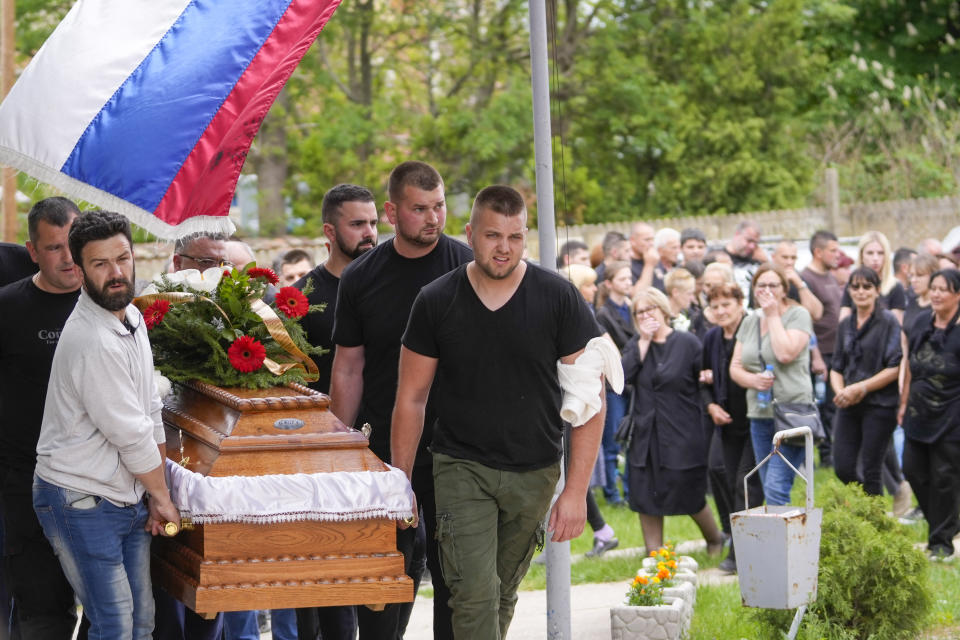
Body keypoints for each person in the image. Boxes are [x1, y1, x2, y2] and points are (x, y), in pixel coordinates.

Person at [391, 185, 605, 639]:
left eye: (515, 236)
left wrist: (576, 492)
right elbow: (411, 397)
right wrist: (400, 482)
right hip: (461, 467)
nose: (503, 248)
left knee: (501, 592)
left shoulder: (558, 297)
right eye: (492, 235)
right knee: (472, 596)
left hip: (536, 470)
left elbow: (591, 400)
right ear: (469, 234)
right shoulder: (435, 299)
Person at [330, 161, 472, 640]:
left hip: (459, 445)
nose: (433, 219)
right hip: (385, 448)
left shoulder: (467, 267)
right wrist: (339, 446)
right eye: (419, 209)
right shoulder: (362, 277)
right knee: (386, 568)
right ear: (392, 211)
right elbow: (349, 367)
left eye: (439, 207)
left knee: (455, 571)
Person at [33, 210, 180, 640]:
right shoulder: (90, 339)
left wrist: (156, 494)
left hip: (127, 492)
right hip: (79, 499)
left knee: (141, 624)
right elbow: (132, 435)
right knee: (114, 626)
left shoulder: (131, 319)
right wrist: (163, 498)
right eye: (100, 264)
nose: (117, 273)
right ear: (79, 270)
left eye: (123, 258)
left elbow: (150, 411)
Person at [0, 198, 87, 640]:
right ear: (32, 252)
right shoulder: (8, 307)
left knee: (113, 612)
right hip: (26, 485)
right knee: (41, 614)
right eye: (54, 248)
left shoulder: (113, 303)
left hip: (101, 486)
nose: (68, 258)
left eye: (73, 244)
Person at [294, 183, 377, 640]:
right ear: (330, 231)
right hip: (321, 452)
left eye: (373, 223)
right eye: (357, 224)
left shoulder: (393, 282)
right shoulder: (298, 299)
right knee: (322, 572)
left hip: (386, 442)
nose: (369, 234)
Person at [154, 233, 229, 640]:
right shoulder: (149, 308)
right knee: (165, 582)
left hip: (210, 460)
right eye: (206, 263)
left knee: (210, 585)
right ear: (179, 263)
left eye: (223, 263)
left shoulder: (236, 315)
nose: (216, 273)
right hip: (160, 459)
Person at [622, 287, 724, 554]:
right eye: (639, 312)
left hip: (682, 429)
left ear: (664, 310)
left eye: (650, 309)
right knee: (645, 493)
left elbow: (703, 382)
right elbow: (622, 379)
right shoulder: (637, 345)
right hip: (646, 433)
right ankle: (653, 554)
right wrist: (643, 342)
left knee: (686, 488)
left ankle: (714, 539)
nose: (645, 316)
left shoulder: (687, 343)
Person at [730, 264, 814, 506]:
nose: (767, 290)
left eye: (773, 285)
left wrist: (773, 314)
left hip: (792, 413)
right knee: (769, 486)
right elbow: (735, 366)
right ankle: (783, 539)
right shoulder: (749, 322)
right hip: (759, 413)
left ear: (784, 289)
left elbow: (785, 353)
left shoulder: (798, 315)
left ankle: (788, 542)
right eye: (761, 286)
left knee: (775, 488)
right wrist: (753, 380)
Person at [700, 283, 763, 574]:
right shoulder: (712, 338)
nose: (721, 311)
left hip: (754, 420)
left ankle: (742, 555)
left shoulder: (751, 332)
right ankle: (734, 535)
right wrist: (711, 406)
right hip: (726, 424)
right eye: (715, 306)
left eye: (727, 304)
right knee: (720, 475)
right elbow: (702, 379)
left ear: (740, 304)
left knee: (745, 483)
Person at [899, 269, 960, 560]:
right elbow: (910, 366)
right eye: (933, 288)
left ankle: (941, 544)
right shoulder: (922, 322)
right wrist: (903, 403)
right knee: (912, 469)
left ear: (957, 295)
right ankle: (945, 525)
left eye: (942, 289)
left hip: (952, 417)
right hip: (917, 412)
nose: (935, 294)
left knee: (944, 477)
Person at [559, 264, 619, 557]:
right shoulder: (575, 307)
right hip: (565, 400)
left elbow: (608, 354)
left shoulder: (584, 312)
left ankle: (601, 531)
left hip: (578, 400)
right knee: (565, 466)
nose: (595, 290)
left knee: (570, 466)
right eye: (590, 284)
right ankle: (601, 531)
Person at [830, 267, 902, 496]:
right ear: (849, 290)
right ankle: (866, 507)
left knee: (872, 468)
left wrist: (861, 388)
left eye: (867, 287)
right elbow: (836, 366)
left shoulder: (889, 321)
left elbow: (895, 367)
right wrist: (841, 391)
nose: (861, 292)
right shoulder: (846, 324)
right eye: (856, 287)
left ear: (877, 290)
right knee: (842, 467)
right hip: (849, 404)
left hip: (880, 404)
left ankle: (875, 523)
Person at [801, 230, 845, 468]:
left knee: (834, 405)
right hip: (819, 354)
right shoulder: (806, 280)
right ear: (818, 252)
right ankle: (826, 457)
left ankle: (833, 454)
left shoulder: (830, 276)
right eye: (833, 250)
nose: (837, 255)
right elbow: (804, 321)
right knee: (823, 407)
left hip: (837, 352)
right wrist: (815, 355)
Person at [594, 261, 635, 506]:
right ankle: (613, 494)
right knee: (612, 440)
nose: (628, 283)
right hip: (613, 384)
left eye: (630, 278)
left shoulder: (631, 309)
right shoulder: (604, 314)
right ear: (608, 284)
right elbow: (614, 351)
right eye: (622, 279)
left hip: (631, 382)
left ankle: (630, 490)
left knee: (629, 439)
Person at [840, 231, 906, 324]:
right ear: (862, 255)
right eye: (870, 253)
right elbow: (843, 322)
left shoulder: (895, 286)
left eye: (880, 253)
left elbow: (896, 326)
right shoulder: (852, 284)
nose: (875, 258)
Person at [771, 240, 823, 321]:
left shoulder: (800, 279)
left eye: (793, 258)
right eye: (785, 257)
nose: (789, 262)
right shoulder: (764, 280)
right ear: (773, 257)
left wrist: (799, 285)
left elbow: (817, 314)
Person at [724, 221, 767, 301]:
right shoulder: (721, 256)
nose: (752, 246)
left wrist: (766, 263)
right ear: (737, 234)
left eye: (756, 243)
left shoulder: (758, 259)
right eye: (749, 241)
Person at [904, 252, 939, 333]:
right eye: (911, 275)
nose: (913, 280)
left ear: (933, 275)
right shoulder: (911, 302)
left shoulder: (938, 306)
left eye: (919, 275)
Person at [663, 268, 698, 332]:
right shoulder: (661, 318)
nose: (692, 298)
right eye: (689, 293)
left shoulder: (689, 315)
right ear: (675, 292)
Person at [628, 222, 657, 291]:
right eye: (647, 240)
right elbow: (638, 294)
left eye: (652, 239)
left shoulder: (654, 258)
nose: (651, 243)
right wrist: (649, 265)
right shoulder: (627, 264)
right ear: (633, 240)